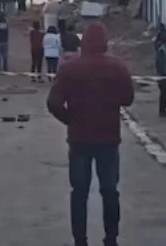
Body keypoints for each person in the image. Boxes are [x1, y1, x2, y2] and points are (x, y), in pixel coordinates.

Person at [46, 22, 134, 246]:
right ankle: (111, 239)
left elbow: (53, 102)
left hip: (79, 139)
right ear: (105, 42)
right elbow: (128, 99)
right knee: (110, 192)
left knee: (79, 193)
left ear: (83, 41)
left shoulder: (69, 68)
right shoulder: (117, 67)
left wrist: (71, 121)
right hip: (108, 139)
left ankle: (80, 241)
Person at [156, 39, 166, 117]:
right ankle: (162, 111)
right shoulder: (161, 51)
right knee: (163, 93)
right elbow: (158, 64)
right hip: (163, 76)